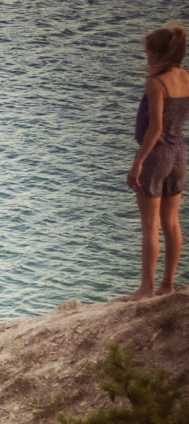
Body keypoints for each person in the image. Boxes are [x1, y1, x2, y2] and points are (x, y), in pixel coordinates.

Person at [124, 22, 189, 301]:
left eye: (148, 51)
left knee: (150, 226)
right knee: (171, 223)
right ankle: (167, 285)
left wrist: (138, 162)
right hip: (178, 154)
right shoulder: (186, 77)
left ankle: (146, 289)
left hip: (157, 155)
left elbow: (155, 127)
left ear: (158, 53)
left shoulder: (156, 82)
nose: (146, 56)